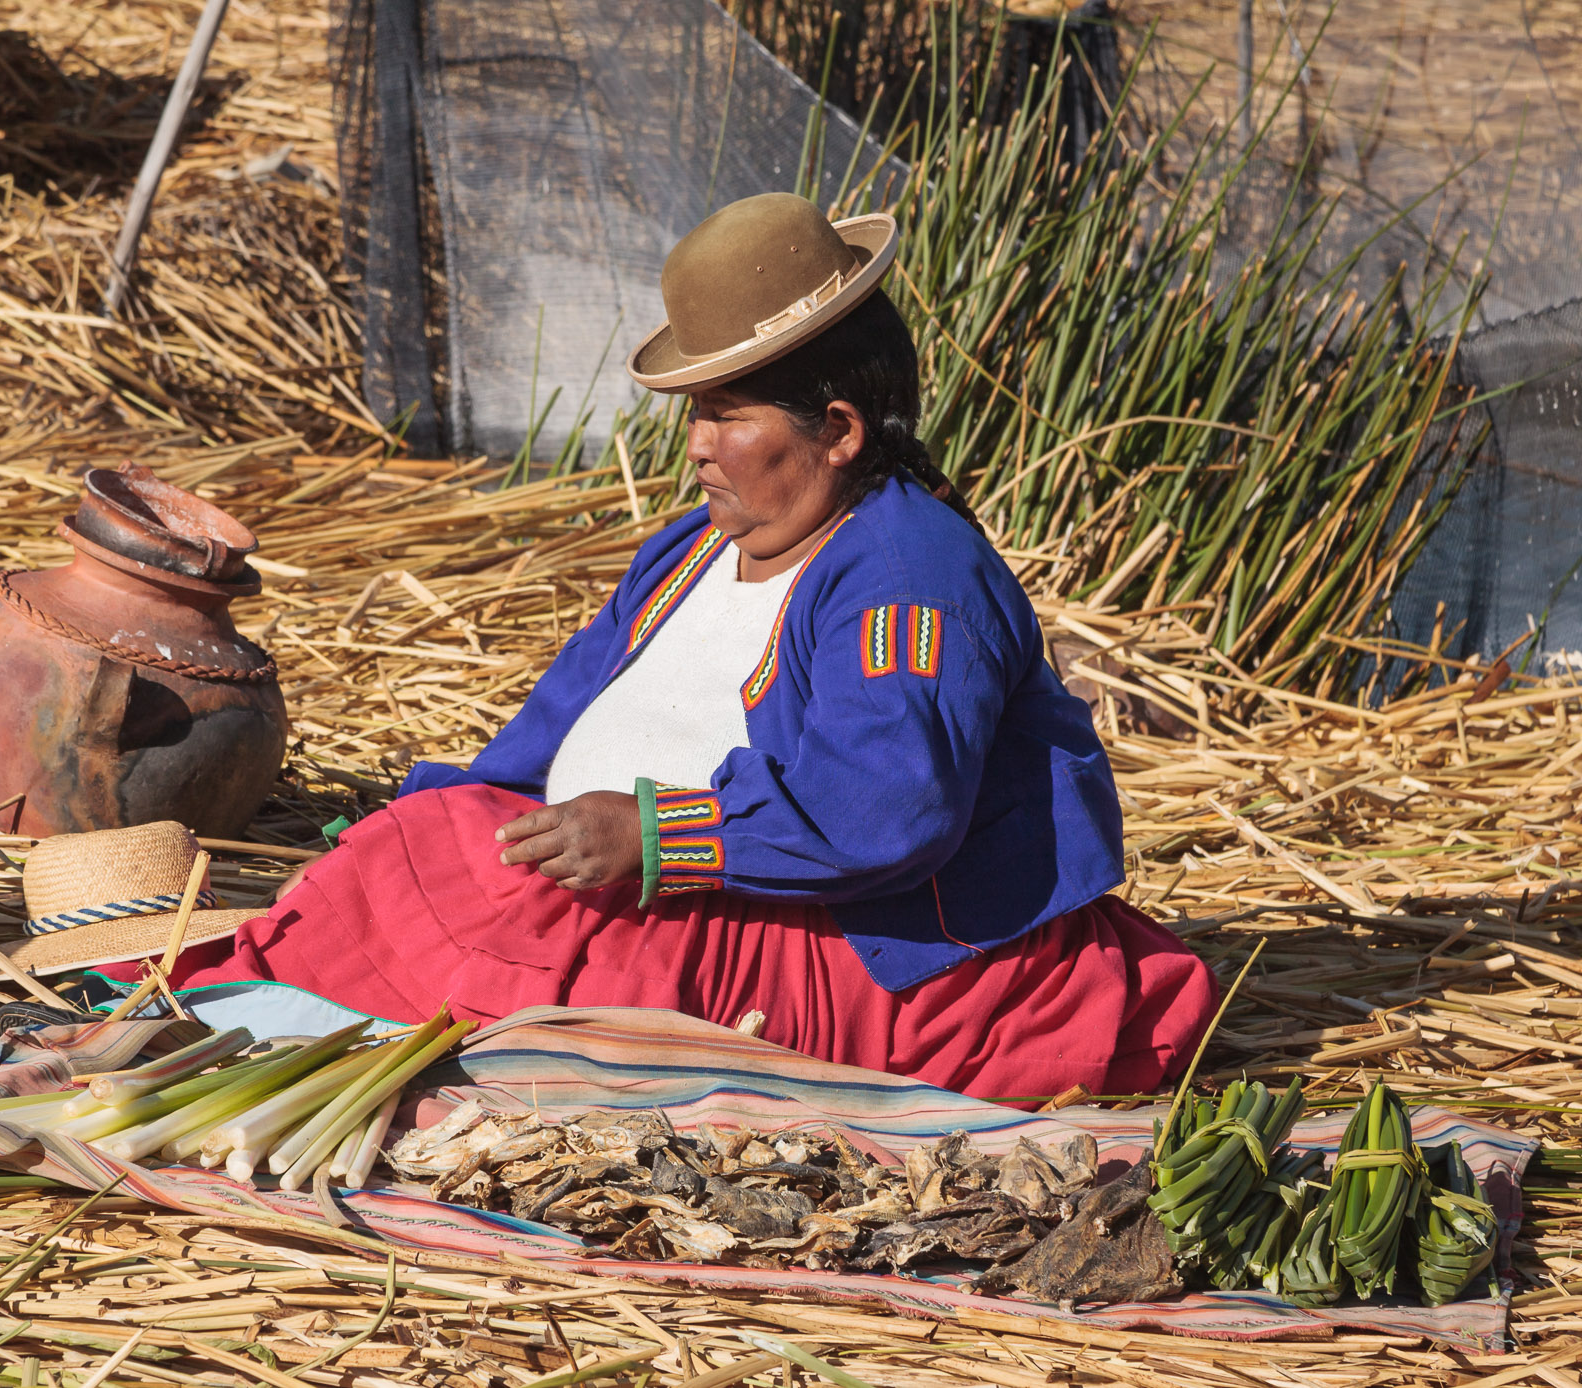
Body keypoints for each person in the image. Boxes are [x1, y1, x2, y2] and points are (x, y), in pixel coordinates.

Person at [111, 193, 1215, 1102]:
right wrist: (436, 816)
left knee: (524, 916)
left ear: (834, 430)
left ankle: (274, 1035)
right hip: (673, 890)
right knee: (435, 841)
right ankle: (233, 1017)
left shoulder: (907, 573)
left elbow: (888, 807)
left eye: (723, 413)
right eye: (689, 410)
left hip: (855, 942)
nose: (692, 446)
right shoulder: (689, 551)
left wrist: (660, 833)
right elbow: (547, 733)